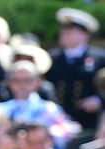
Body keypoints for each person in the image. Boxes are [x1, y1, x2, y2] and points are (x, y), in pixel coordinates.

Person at [45, 7, 105, 135]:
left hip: (89, 124)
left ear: (84, 35)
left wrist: (98, 100)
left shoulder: (100, 58)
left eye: (70, 31)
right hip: (57, 125)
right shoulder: (51, 58)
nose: (64, 33)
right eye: (63, 30)